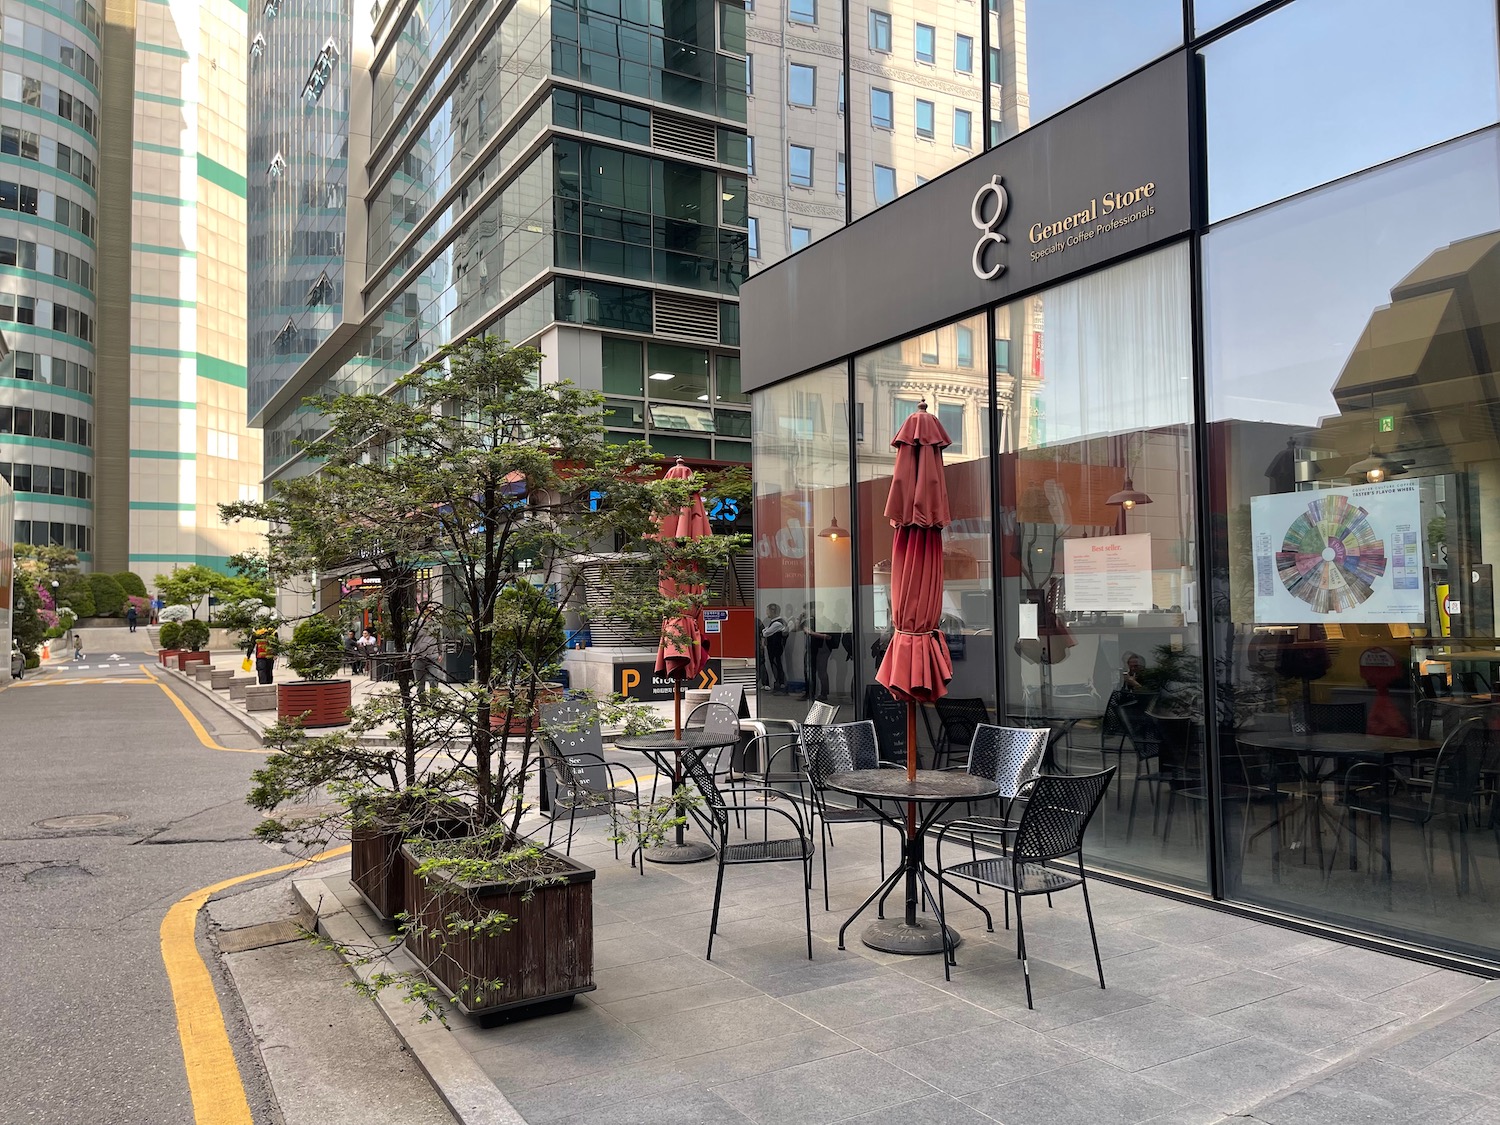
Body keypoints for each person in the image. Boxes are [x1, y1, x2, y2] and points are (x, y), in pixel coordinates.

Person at [761, 604, 789, 694]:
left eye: (767, 610)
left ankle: (780, 684)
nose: (766, 613)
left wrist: (765, 631)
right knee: (775, 665)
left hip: (776, 648)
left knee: (777, 666)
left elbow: (765, 633)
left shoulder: (777, 623)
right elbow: (765, 630)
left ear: (773, 611)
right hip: (773, 648)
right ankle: (779, 684)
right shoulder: (774, 622)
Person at [411, 622, 442, 698]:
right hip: (418, 657)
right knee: (420, 684)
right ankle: (423, 705)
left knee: (433, 681)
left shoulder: (436, 624)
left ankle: (433, 705)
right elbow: (409, 640)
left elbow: (439, 639)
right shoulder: (415, 623)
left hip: (433, 657)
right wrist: (411, 654)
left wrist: (440, 653)